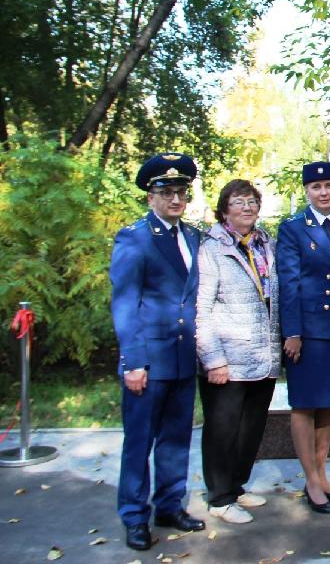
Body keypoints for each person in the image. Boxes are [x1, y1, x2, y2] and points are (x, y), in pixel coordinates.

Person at [109, 153, 205, 551]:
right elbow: (125, 303)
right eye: (166, 191)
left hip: (183, 359)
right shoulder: (135, 237)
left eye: (181, 191)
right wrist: (134, 362)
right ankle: (134, 515)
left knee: (176, 439)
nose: (175, 199)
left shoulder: (193, 236)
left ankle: (169, 504)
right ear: (150, 196)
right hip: (148, 362)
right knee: (139, 441)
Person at [195, 180, 280, 525]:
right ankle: (219, 496)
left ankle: (237, 485)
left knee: (251, 426)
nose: (247, 207)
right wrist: (212, 359)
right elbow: (201, 308)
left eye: (252, 201)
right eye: (238, 202)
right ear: (224, 209)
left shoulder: (264, 243)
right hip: (227, 359)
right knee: (223, 427)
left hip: (262, 354)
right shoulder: (211, 248)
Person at [276, 161, 330, 515]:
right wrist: (292, 332)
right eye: (316, 187)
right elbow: (288, 284)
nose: (324, 192)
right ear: (306, 191)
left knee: (326, 404)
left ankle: (322, 474)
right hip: (307, 333)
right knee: (304, 404)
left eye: (329, 185)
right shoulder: (293, 228)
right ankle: (310, 479)